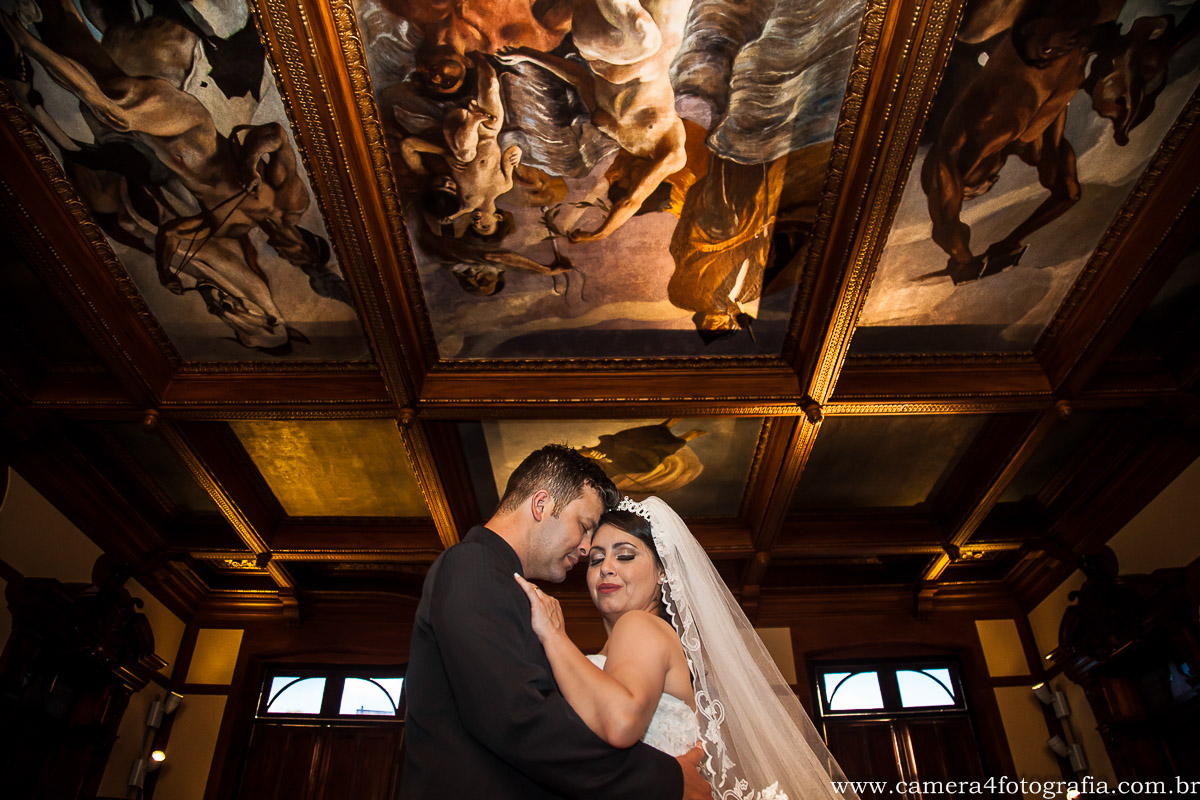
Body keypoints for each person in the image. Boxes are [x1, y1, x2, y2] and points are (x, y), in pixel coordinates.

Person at [399, 445, 711, 799]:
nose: (585, 548)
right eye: (584, 527)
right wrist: (662, 779)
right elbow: (516, 717)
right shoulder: (473, 564)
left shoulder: (507, 584)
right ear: (542, 504)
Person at [515, 495, 861, 800]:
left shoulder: (639, 626)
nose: (606, 568)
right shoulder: (647, 639)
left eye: (625, 556)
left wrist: (553, 636)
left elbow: (620, 723)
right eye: (595, 559)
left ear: (663, 572)